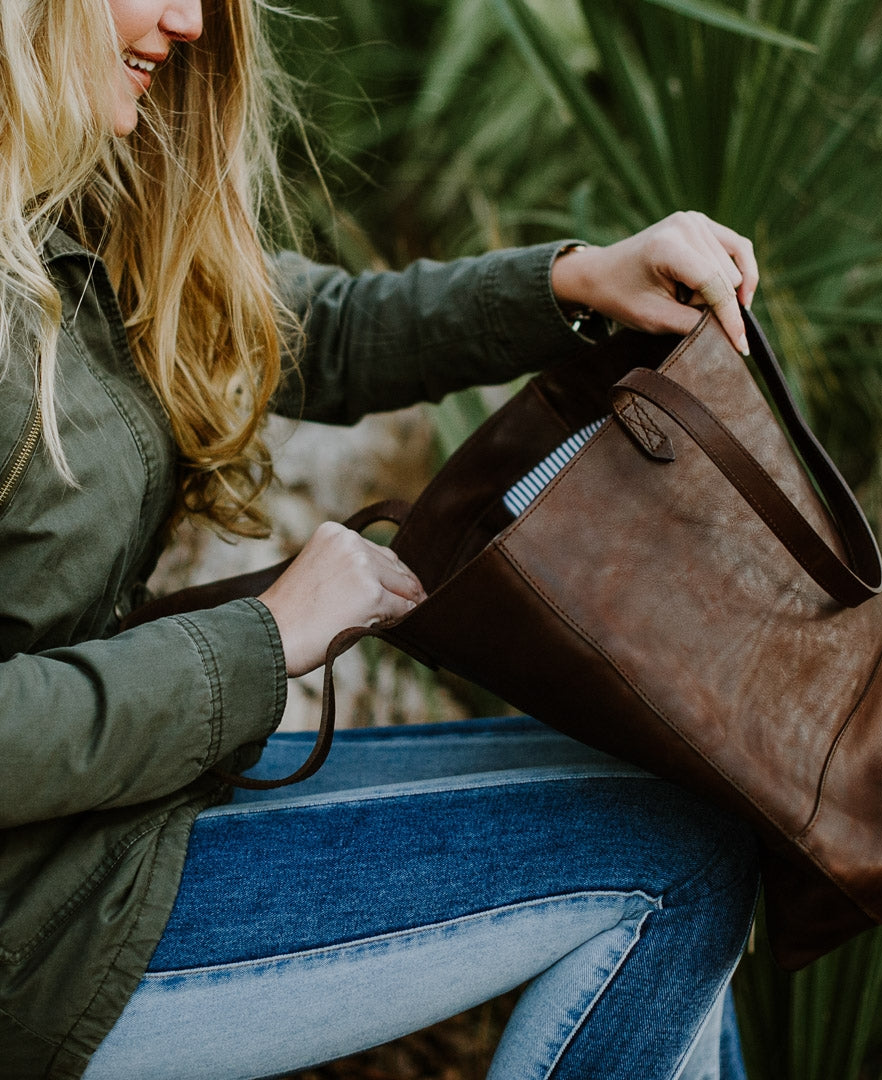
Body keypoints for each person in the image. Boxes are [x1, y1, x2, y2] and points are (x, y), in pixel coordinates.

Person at [0, 1, 762, 1077]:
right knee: (676, 858)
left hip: (117, 824)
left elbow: (324, 326)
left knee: (691, 807)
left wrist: (576, 284)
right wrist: (261, 641)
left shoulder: (75, 208)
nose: (188, 21)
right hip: (42, 940)